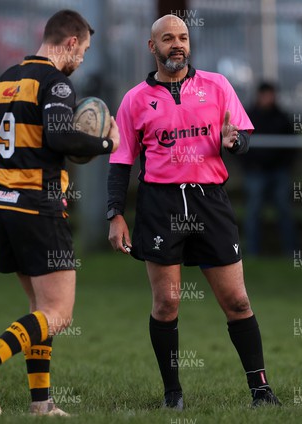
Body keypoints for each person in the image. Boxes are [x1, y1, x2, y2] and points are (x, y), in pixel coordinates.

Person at [0, 10, 119, 416]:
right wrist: (106, 145)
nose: (81, 59)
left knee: (40, 312)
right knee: (58, 314)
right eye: (82, 50)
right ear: (69, 43)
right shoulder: (56, 84)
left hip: (4, 206)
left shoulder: (2, 81)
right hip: (39, 207)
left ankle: (42, 404)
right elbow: (62, 136)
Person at [107, 15, 281, 410]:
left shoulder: (217, 86)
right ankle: (173, 395)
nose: (177, 44)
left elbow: (241, 141)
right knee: (167, 302)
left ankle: (261, 392)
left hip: (210, 201)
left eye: (183, 37)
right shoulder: (135, 99)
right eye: (168, 38)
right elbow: (120, 162)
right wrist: (115, 213)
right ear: (152, 47)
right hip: (160, 204)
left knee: (237, 300)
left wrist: (234, 142)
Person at [242, 82, 296, 255]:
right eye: (264, 94)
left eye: (270, 94)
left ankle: (290, 251)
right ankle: (252, 252)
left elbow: (292, 145)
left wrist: (284, 165)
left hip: (278, 172)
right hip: (255, 173)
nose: (267, 98)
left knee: (284, 210)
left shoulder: (282, 118)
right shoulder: (248, 116)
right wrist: (250, 165)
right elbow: (238, 145)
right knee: (253, 211)